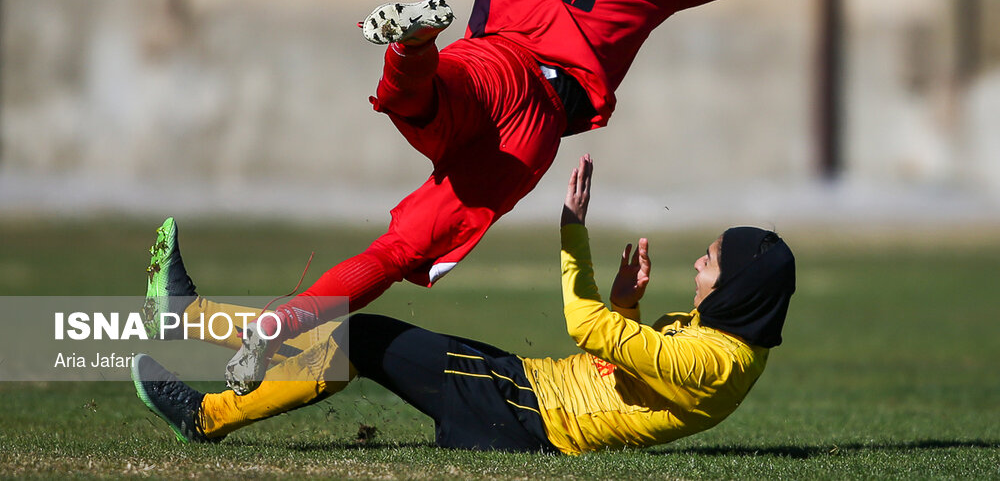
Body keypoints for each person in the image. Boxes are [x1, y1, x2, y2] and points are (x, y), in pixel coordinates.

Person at [147, 0, 764, 393]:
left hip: (498, 62)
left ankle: (411, 47)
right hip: (538, 125)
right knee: (393, 253)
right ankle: (275, 326)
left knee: (432, 93)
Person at [134, 155, 796, 453]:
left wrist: (571, 229)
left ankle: (204, 404)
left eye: (711, 259)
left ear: (737, 285)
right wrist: (625, 306)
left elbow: (579, 323)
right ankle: (192, 325)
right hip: (523, 395)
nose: (698, 263)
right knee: (358, 339)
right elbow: (622, 370)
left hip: (524, 415)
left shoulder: (719, 358)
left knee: (359, 339)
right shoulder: (719, 339)